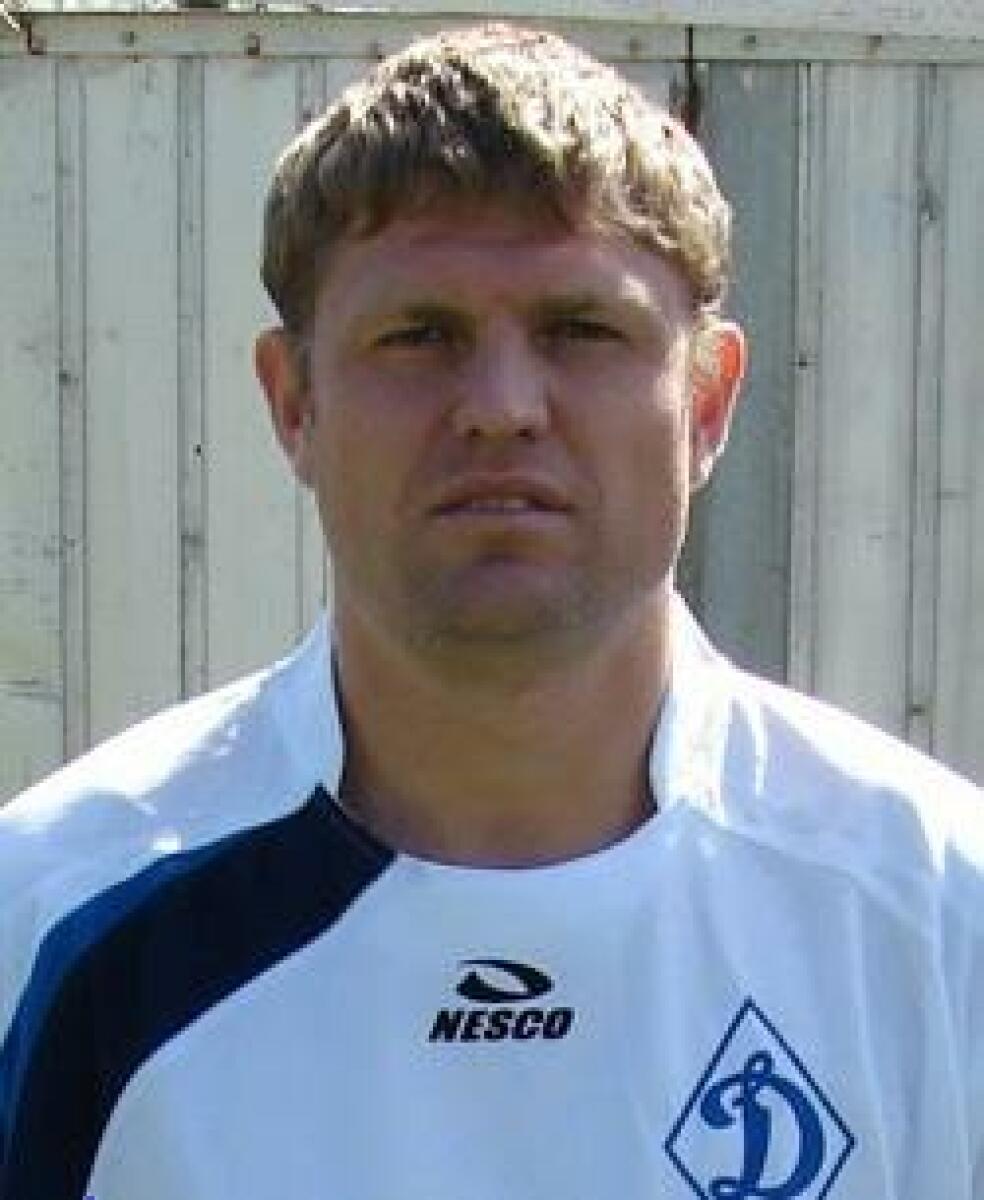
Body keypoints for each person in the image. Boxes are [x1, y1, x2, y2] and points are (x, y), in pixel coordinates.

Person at [1, 21, 981, 1200]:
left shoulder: (938, 917)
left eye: (583, 331)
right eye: (420, 335)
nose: (504, 405)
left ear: (709, 401)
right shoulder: (49, 921)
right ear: (293, 401)